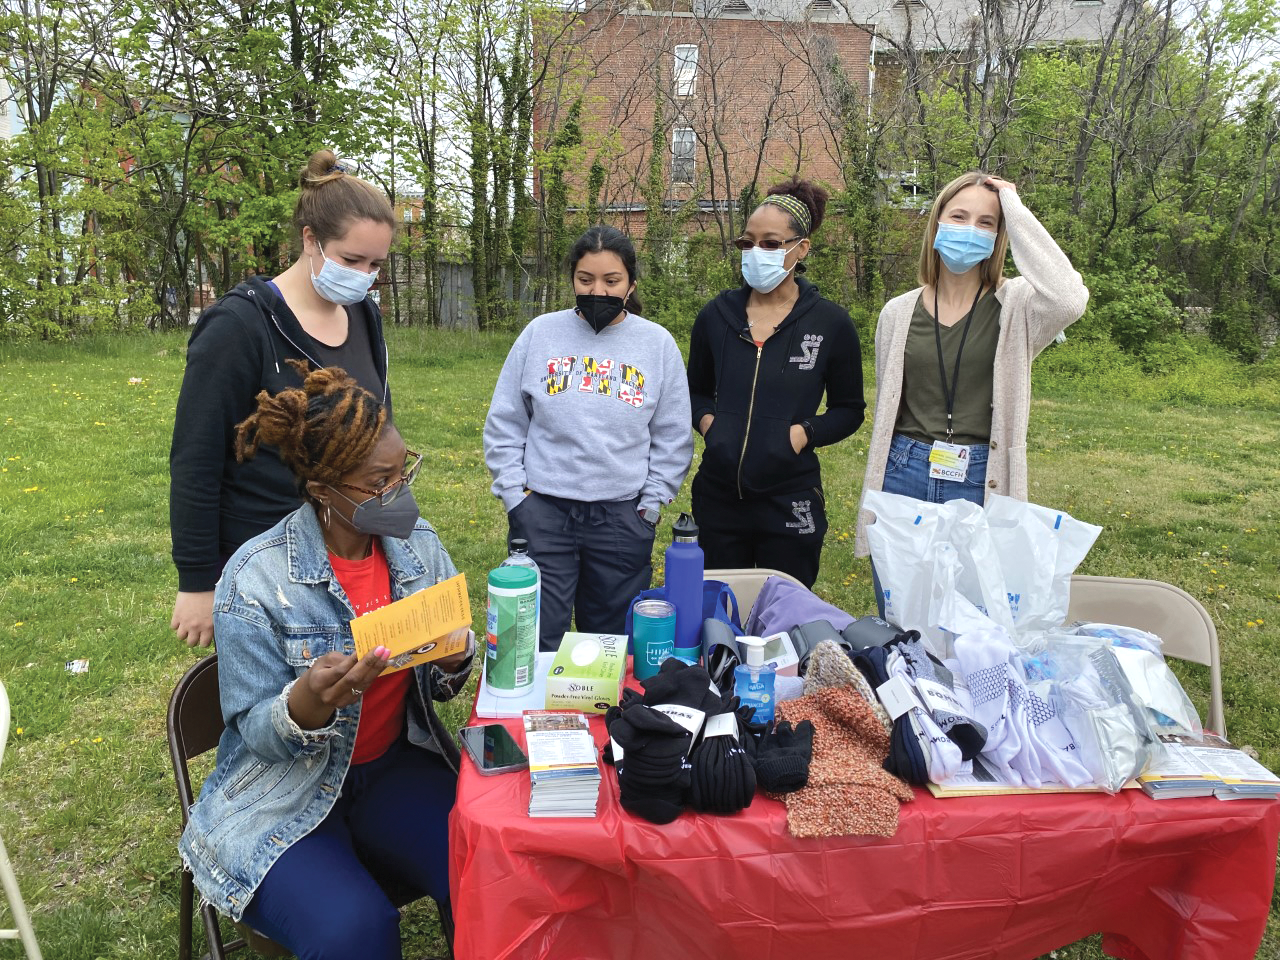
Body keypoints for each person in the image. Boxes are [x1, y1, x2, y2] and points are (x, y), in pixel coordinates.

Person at [179, 362, 473, 960]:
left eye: (402, 472)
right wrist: (307, 704)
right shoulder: (257, 578)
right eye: (377, 482)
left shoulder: (418, 547)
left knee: (486, 868)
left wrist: (454, 657)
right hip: (281, 790)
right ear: (322, 490)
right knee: (356, 930)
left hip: (390, 768)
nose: (398, 493)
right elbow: (255, 731)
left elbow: (440, 689)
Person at [170, 148, 396, 648]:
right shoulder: (239, 326)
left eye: (376, 264)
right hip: (260, 552)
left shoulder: (363, 316)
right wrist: (196, 581)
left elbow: (376, 431)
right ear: (310, 240)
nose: (364, 276)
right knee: (270, 707)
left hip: (347, 543)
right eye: (352, 260)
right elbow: (196, 460)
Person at [854, 172, 1089, 612]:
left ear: (1001, 236)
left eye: (987, 222)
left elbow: (1068, 299)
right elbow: (891, 404)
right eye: (959, 216)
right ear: (937, 224)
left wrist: (1014, 208)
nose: (970, 229)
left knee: (975, 617)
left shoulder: (1018, 305)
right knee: (901, 612)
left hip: (982, 474)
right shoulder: (897, 313)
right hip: (904, 469)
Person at [484, 225, 693, 650]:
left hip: (621, 518)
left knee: (612, 643)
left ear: (631, 282)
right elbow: (506, 421)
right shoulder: (539, 334)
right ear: (572, 280)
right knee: (533, 637)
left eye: (611, 281)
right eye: (586, 280)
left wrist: (650, 506)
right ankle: (535, 714)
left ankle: (608, 717)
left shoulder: (657, 345)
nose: (597, 290)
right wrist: (514, 496)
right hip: (543, 514)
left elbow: (673, 436)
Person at [686, 179, 866, 588]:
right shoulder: (715, 316)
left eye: (770, 244)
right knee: (717, 615)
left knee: (784, 621)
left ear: (800, 249)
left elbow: (849, 409)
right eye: (747, 243)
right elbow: (693, 391)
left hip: (790, 500)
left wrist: (803, 434)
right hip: (718, 499)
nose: (755, 253)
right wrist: (711, 425)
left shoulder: (831, 324)